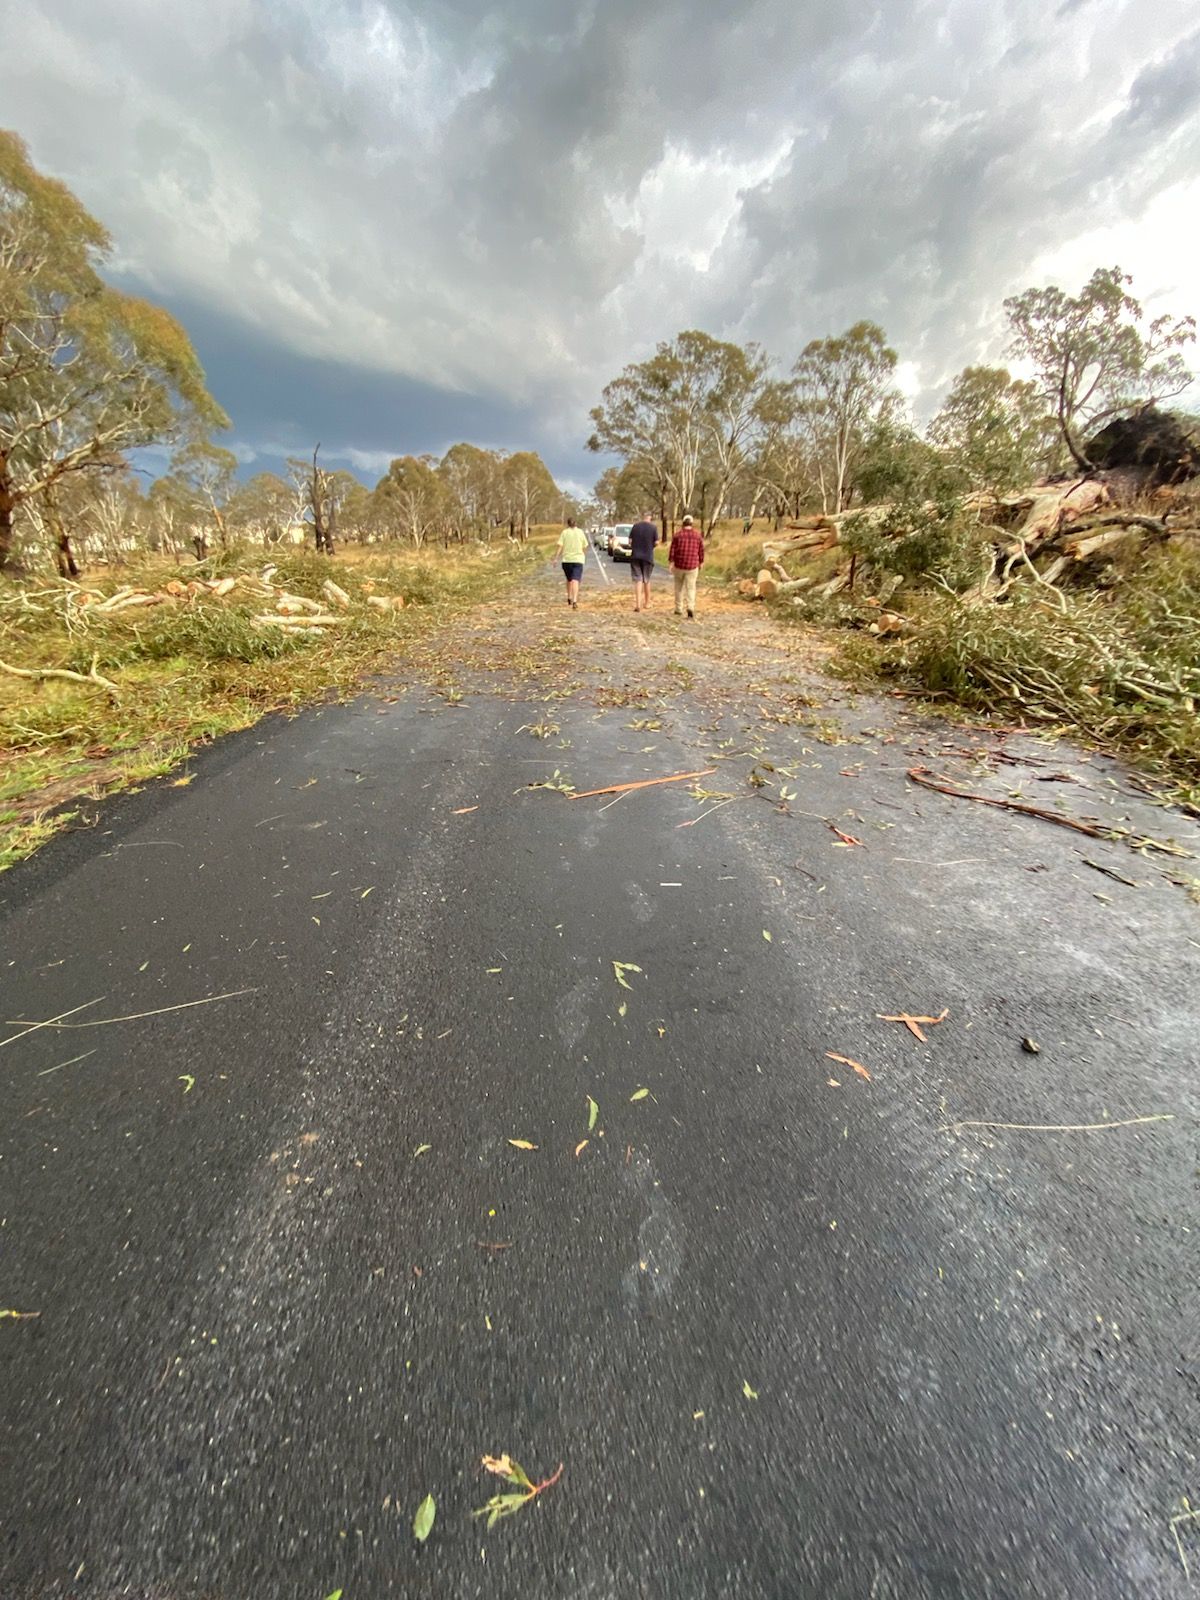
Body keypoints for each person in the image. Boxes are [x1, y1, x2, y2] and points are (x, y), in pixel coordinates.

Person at [668, 514, 704, 619]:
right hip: (692, 565)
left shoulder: (677, 535)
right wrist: (701, 562)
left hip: (679, 565)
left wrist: (671, 562)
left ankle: (678, 609)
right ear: (691, 523)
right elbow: (701, 550)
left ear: (683, 523)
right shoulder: (697, 536)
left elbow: (672, 550)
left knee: (678, 588)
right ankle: (690, 607)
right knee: (691, 588)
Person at [628, 512, 659, 612]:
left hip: (635, 556)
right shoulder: (653, 528)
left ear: (643, 517)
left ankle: (637, 604)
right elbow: (657, 542)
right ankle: (647, 603)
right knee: (647, 580)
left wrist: (635, 547)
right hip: (648, 557)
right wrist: (650, 547)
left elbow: (630, 542)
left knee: (638, 580)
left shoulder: (635, 527)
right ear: (650, 518)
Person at [555, 517, 587, 609]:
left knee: (569, 579)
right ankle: (574, 600)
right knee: (575, 580)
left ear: (568, 524)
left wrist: (556, 558)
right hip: (577, 559)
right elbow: (585, 545)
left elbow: (560, 546)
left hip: (566, 560)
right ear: (575, 523)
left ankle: (570, 598)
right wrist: (583, 554)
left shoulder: (564, 533)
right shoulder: (580, 532)